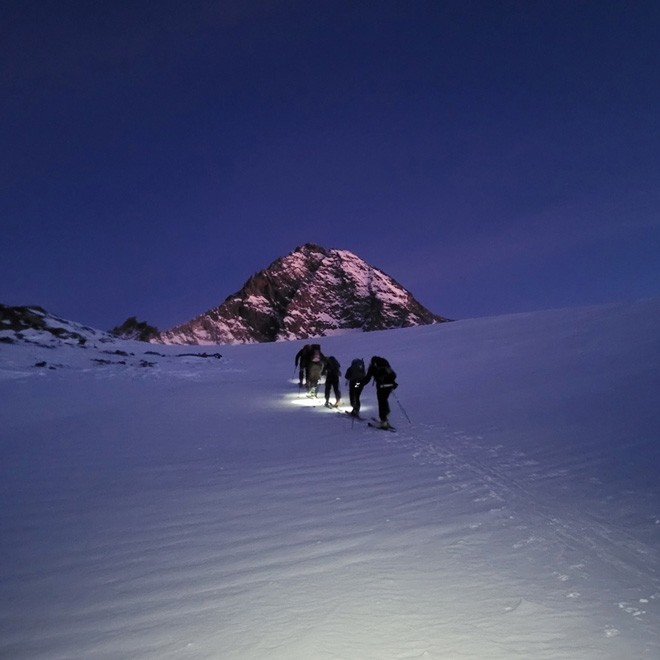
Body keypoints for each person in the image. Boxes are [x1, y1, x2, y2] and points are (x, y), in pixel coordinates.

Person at [361, 356, 398, 429]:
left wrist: (359, 384)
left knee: (381, 402)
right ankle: (386, 414)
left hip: (381, 386)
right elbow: (393, 375)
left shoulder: (372, 367)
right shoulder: (385, 364)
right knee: (384, 400)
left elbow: (367, 379)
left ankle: (383, 421)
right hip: (390, 385)